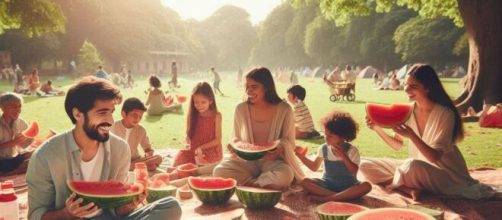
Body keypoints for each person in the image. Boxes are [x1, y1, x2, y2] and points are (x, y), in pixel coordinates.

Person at [26, 76, 182, 220]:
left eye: (111, 112)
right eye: (102, 113)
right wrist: (67, 213)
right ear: (77, 114)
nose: (110, 120)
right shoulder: (45, 156)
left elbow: (115, 210)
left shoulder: (120, 149)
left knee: (171, 206)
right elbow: (36, 215)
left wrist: (127, 205)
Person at [360, 64, 496, 201]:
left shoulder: (446, 114)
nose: (406, 89)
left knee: (411, 166)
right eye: (406, 84)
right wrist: (377, 129)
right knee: (364, 164)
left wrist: (412, 136)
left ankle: (402, 183)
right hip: (416, 168)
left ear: (428, 88)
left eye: (413, 86)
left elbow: (434, 157)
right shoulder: (408, 111)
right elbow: (397, 145)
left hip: (446, 174)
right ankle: (407, 188)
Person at [213, 67, 305, 190]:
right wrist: (233, 145)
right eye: (247, 87)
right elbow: (235, 137)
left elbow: (289, 141)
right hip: (246, 162)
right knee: (219, 171)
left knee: (286, 174)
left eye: (254, 87)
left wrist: (278, 149)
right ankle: (259, 183)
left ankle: (251, 183)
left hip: (273, 162)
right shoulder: (240, 108)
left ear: (266, 87)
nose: (249, 91)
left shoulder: (285, 109)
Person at [295, 111, 371, 202]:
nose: (326, 138)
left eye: (330, 136)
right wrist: (301, 157)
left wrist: (343, 155)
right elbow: (314, 167)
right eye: (325, 134)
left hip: (348, 186)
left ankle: (327, 198)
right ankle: (340, 197)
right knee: (304, 182)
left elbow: (354, 172)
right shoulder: (323, 149)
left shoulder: (352, 151)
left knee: (367, 186)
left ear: (343, 136)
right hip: (327, 185)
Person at [172, 82, 222, 175]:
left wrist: (201, 148)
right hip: (193, 149)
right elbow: (188, 135)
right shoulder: (192, 114)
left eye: (203, 102)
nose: (199, 105)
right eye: (196, 102)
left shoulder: (217, 116)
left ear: (210, 101)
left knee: (199, 170)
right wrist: (187, 143)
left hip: (210, 149)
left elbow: (218, 140)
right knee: (175, 166)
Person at [111, 98, 163, 171]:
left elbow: (147, 148)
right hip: (117, 161)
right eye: (134, 115)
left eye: (140, 116)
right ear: (123, 114)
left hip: (134, 160)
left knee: (158, 158)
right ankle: (138, 167)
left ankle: (132, 167)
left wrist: (149, 152)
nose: (137, 119)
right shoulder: (113, 127)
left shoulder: (141, 130)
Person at [0, 92, 34, 176]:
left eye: (19, 106)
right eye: (13, 107)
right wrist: (13, 143)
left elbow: (25, 144)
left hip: (15, 157)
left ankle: (10, 172)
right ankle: (10, 173)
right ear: (3, 108)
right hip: (1, 160)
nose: (18, 110)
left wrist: (27, 138)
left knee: (38, 154)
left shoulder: (21, 122)